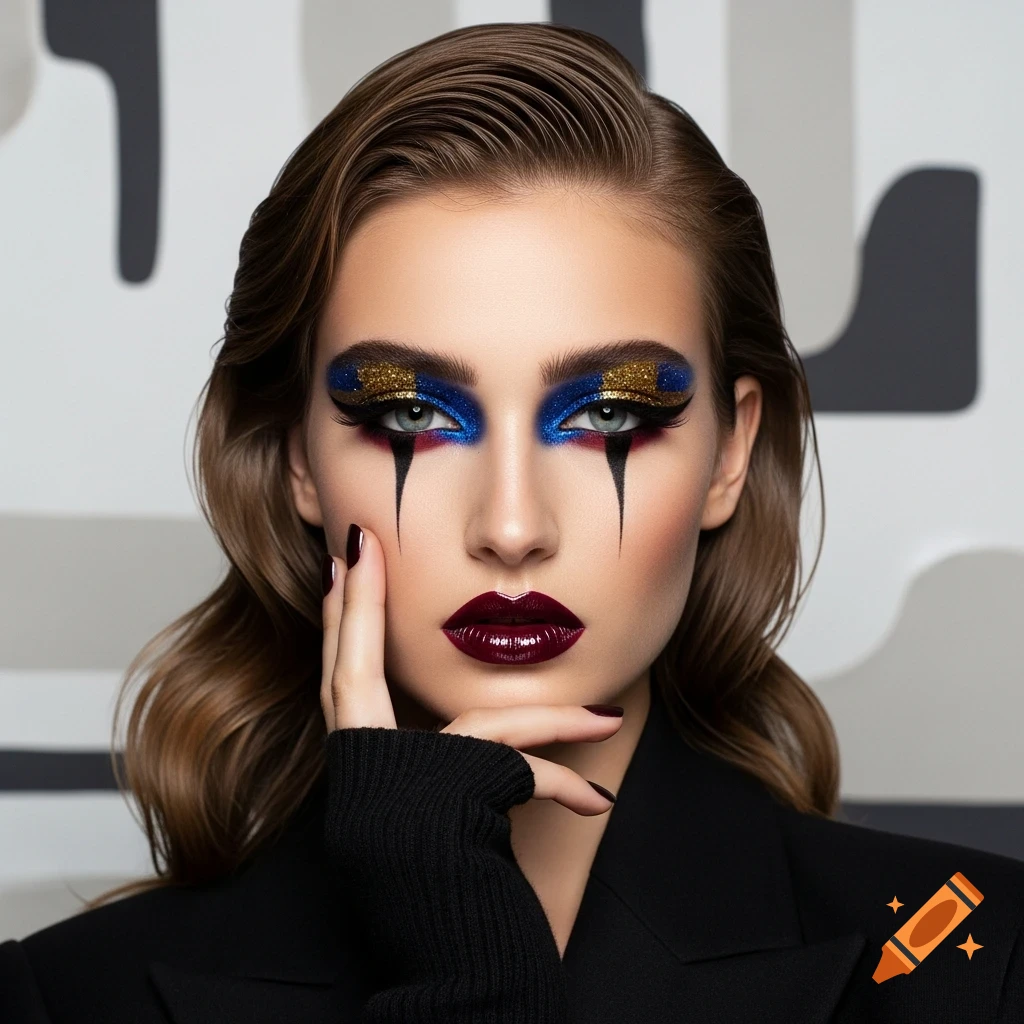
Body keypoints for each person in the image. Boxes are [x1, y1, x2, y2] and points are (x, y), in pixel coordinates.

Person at [2, 21, 1022, 1023]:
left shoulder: (985, 969)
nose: (511, 525)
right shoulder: (69, 997)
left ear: (728, 453)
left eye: (608, 414)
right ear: (297, 459)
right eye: (410, 414)